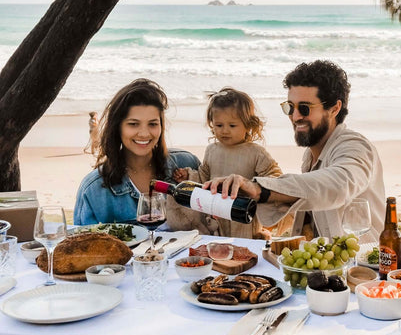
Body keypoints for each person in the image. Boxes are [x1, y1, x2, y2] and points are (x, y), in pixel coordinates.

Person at [203, 60, 385, 242]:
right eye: (290, 107)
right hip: (324, 261)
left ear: (334, 108)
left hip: (363, 265)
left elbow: (338, 185)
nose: (295, 117)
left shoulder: (356, 146)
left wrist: (259, 189)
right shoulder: (311, 154)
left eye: (304, 108)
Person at [74, 79, 200, 225]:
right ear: (118, 127)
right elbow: (82, 244)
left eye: (152, 124)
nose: (144, 134)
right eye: (133, 124)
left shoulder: (188, 165)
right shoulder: (93, 190)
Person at [172, 87, 293, 239]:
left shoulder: (255, 152)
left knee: (245, 247)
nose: (225, 131)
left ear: (248, 125)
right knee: (217, 247)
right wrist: (188, 177)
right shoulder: (212, 150)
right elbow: (204, 178)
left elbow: (275, 178)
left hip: (243, 217)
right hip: (216, 214)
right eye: (219, 125)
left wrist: (252, 186)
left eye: (232, 125)